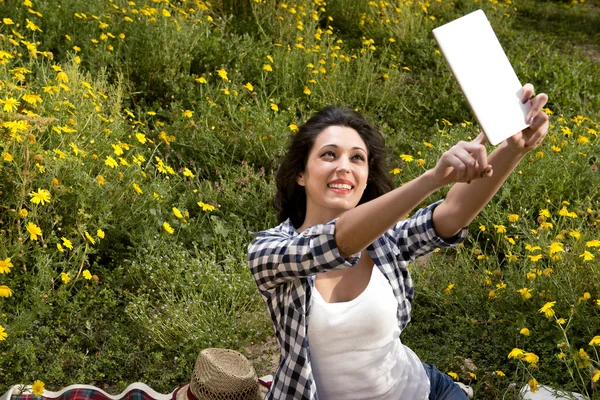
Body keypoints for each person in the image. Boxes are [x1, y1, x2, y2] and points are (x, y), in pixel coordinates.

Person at [247, 84, 549, 400]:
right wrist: (432, 178)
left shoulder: (384, 239)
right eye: (329, 155)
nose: (344, 167)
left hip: (424, 391)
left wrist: (515, 147)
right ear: (301, 174)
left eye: (357, 158)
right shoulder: (269, 251)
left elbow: (451, 214)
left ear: (365, 178)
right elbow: (336, 242)